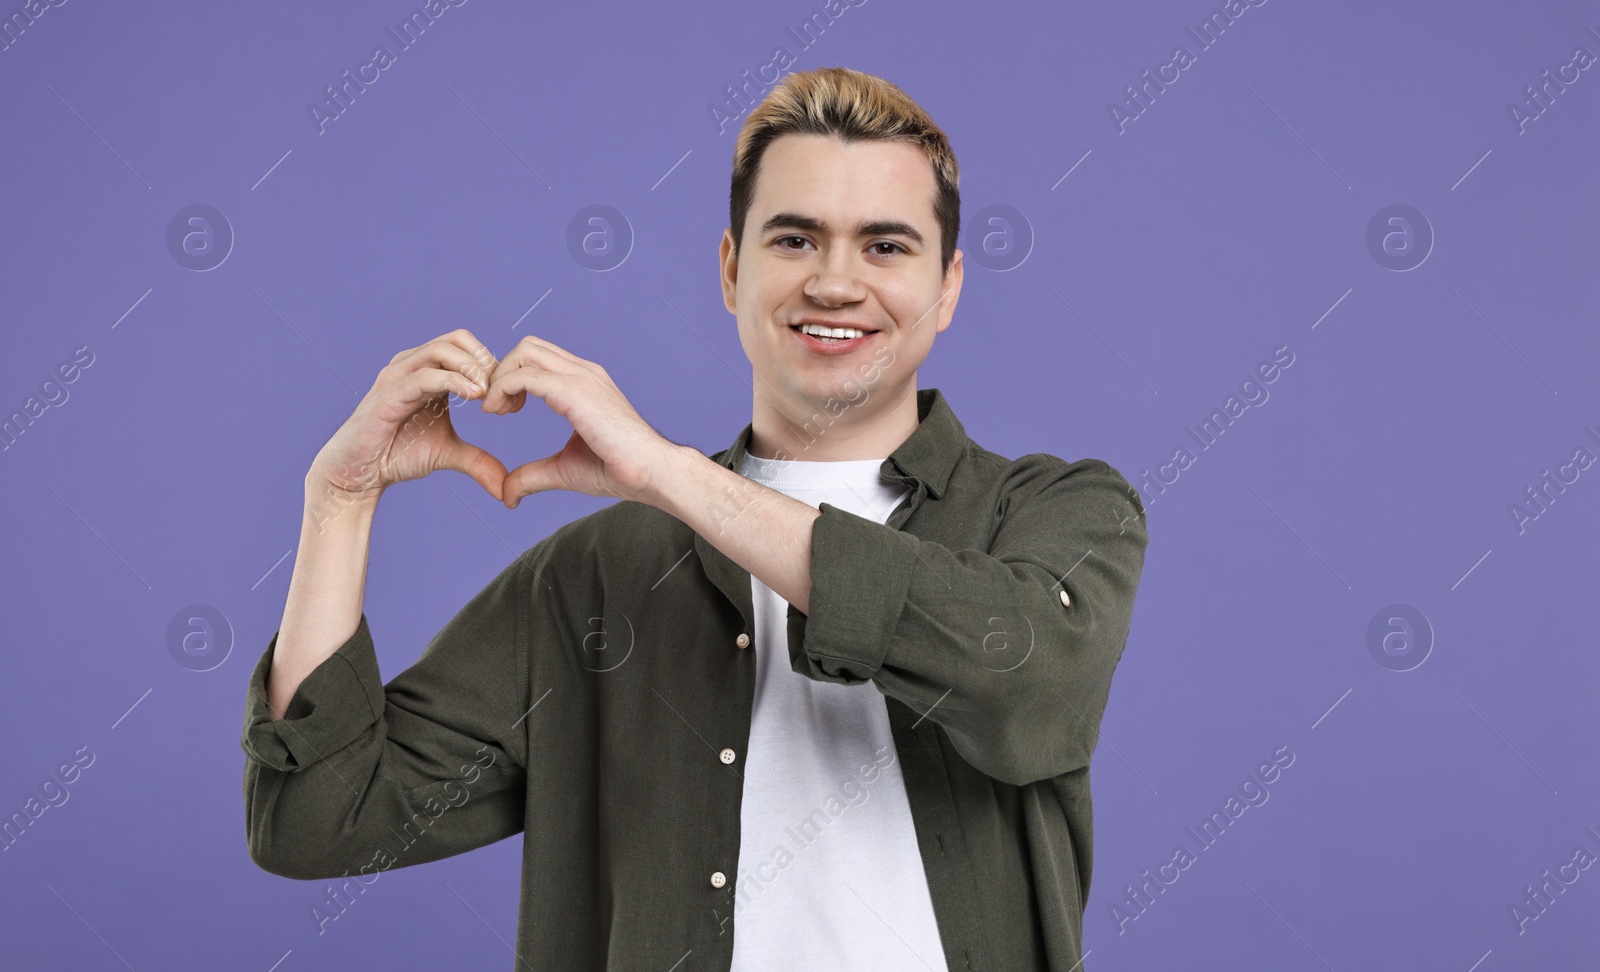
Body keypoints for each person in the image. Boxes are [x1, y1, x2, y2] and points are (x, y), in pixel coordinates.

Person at [241, 66, 1149, 970]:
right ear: (730, 270)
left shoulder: (1057, 511)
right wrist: (340, 500)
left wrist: (673, 475)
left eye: (885, 246)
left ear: (947, 286)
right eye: (794, 239)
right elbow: (318, 819)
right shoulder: (593, 575)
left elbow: (1025, 680)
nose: (835, 283)